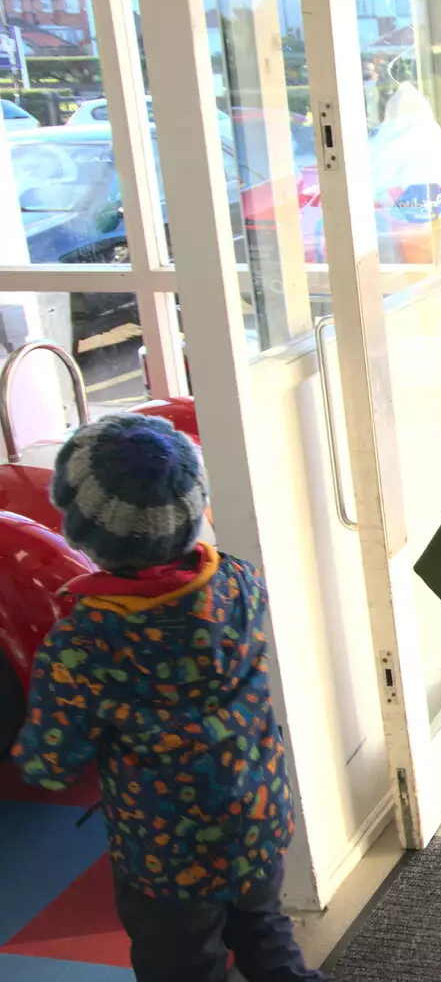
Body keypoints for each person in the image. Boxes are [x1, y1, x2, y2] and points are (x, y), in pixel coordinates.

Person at [8, 413, 319, 982]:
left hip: (165, 853)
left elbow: (50, 764)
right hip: (256, 818)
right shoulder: (240, 582)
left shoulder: (83, 643)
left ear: (81, 531)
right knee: (265, 933)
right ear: (196, 510)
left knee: (181, 965)